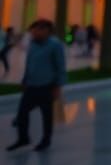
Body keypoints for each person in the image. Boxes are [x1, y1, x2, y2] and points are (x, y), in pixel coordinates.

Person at [6, 20, 66, 152]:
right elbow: (29, 63)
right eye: (33, 30)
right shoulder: (33, 44)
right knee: (22, 113)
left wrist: (58, 87)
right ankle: (23, 138)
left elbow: (60, 67)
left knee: (47, 115)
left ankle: (46, 140)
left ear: (47, 31)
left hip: (47, 86)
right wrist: (25, 79)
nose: (34, 33)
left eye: (37, 30)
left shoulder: (55, 45)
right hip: (32, 85)